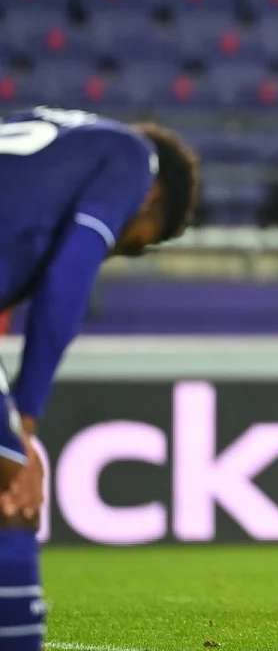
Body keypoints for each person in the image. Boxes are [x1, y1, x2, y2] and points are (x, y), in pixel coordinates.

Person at [0, 106, 200, 651]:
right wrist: (27, 418)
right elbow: (68, 281)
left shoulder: (48, 133)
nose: (115, 247)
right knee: (11, 490)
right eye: (133, 241)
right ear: (151, 199)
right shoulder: (135, 159)